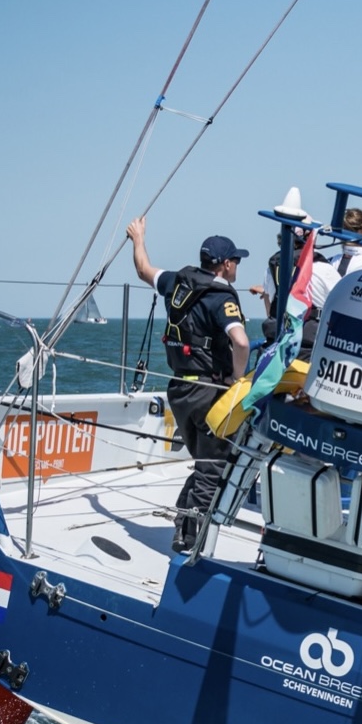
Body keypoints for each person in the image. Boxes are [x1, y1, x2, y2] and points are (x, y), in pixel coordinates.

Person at [126, 218, 251, 554]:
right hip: (210, 392)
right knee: (214, 467)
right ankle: (193, 540)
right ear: (225, 264)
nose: (237, 266)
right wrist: (237, 379)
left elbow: (143, 269)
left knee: (204, 462)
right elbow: (241, 342)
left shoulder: (177, 282)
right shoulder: (221, 297)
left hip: (180, 389)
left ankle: (182, 527)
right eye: (236, 260)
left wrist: (138, 238)